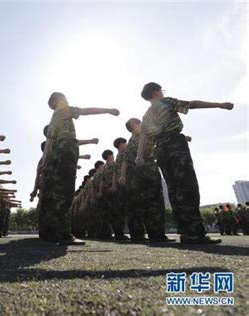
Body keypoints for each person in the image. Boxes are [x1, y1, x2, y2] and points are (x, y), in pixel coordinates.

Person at [136, 82, 233, 244]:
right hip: (175, 145)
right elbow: (192, 104)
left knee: (174, 190)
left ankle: (186, 232)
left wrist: (139, 156)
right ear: (155, 92)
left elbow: (143, 137)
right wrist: (219, 105)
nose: (162, 92)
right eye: (161, 90)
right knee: (187, 187)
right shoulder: (166, 102)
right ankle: (195, 234)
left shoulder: (146, 115)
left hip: (160, 149)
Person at [39, 92, 120, 245]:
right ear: (60, 100)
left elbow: (49, 142)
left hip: (56, 154)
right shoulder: (64, 110)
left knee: (56, 192)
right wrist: (108, 110)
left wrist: (45, 160)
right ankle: (64, 234)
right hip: (67, 150)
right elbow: (86, 111)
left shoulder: (54, 118)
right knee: (65, 191)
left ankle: (52, 232)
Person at [119, 118, 173, 242]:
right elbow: (126, 160)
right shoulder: (144, 135)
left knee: (138, 204)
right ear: (134, 125)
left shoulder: (130, 141)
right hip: (147, 169)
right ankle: (156, 234)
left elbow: (125, 160)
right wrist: (123, 175)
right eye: (138, 123)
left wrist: (123, 175)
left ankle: (138, 235)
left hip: (134, 175)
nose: (141, 125)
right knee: (154, 202)